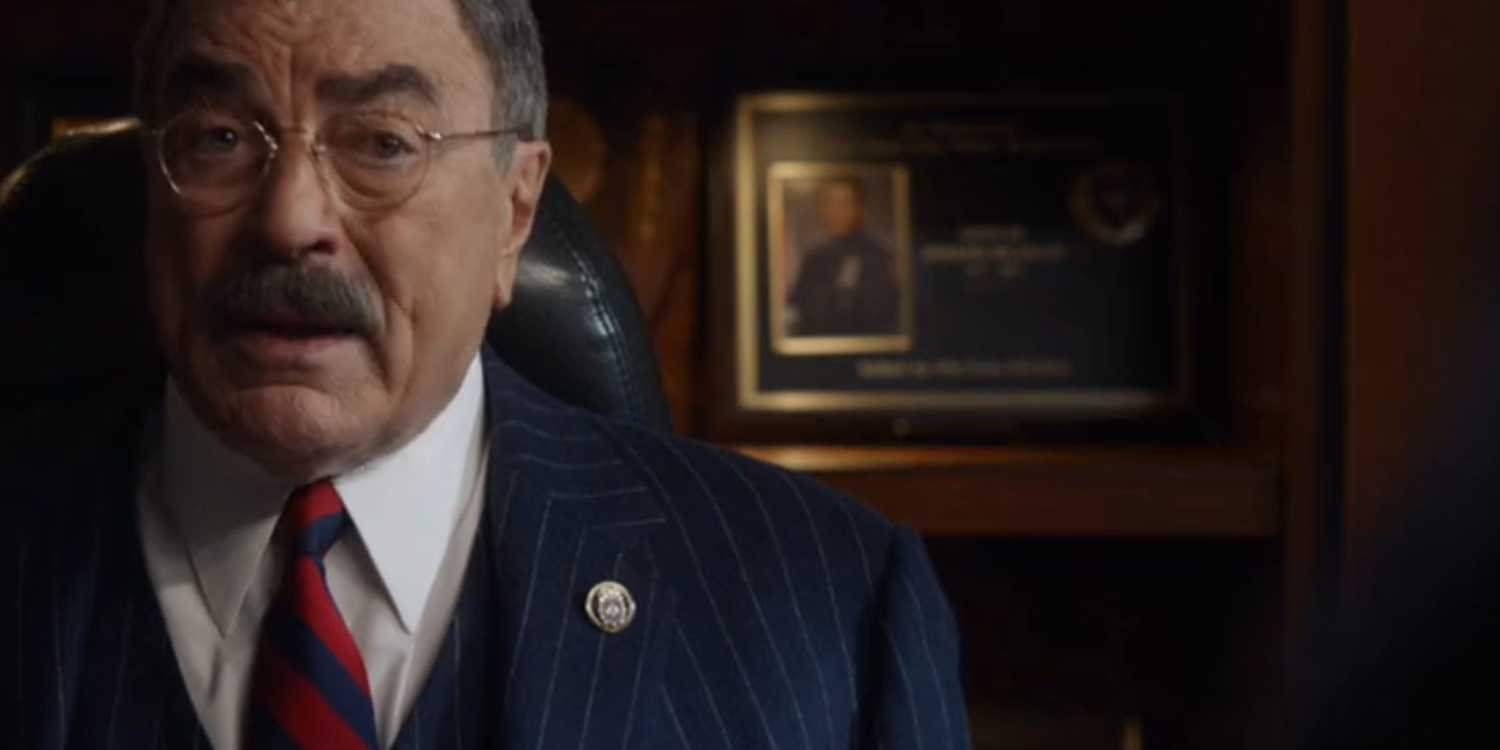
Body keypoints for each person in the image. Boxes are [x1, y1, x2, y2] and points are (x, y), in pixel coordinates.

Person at [0, 0, 968, 748]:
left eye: (383, 143)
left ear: (514, 211)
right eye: (218, 139)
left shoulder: (829, 603)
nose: (291, 220)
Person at [787, 179, 902, 337]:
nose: (837, 212)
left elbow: (880, 315)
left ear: (859, 209)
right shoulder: (813, 257)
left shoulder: (878, 256)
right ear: (823, 210)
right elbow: (799, 306)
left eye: (844, 204)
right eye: (831, 204)